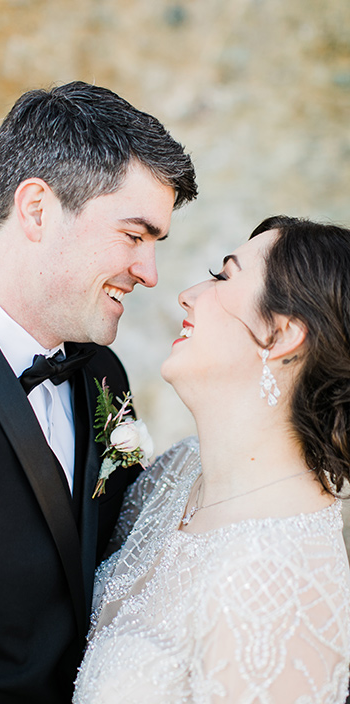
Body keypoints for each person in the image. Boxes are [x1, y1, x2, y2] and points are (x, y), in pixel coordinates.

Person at [0, 81, 197, 703]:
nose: (150, 274)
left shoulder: (104, 374)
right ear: (38, 209)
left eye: (156, 245)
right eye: (134, 236)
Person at [74, 216, 350, 703]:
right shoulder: (180, 472)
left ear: (282, 335)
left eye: (224, 276)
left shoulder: (272, 586)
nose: (188, 294)